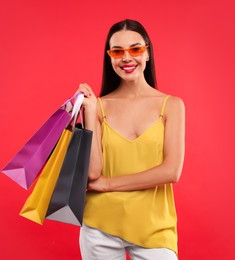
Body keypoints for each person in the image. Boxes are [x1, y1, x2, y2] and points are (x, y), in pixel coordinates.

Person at [76, 19, 185, 260]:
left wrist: (109, 185)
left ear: (147, 53)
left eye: (135, 49)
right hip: (100, 225)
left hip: (154, 227)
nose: (127, 58)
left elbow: (171, 171)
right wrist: (91, 114)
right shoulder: (100, 106)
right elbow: (94, 173)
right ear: (110, 57)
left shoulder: (172, 106)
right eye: (117, 51)